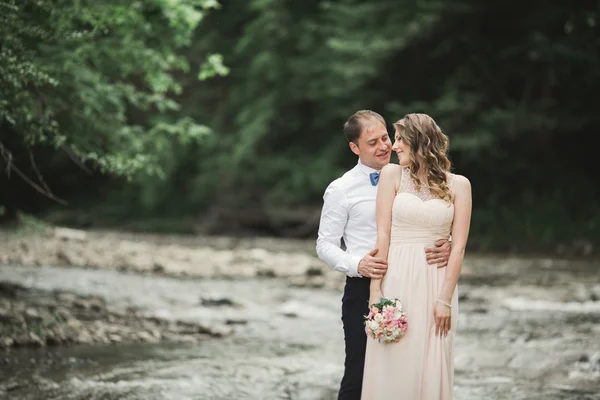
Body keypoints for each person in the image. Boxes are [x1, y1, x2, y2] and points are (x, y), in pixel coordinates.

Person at [316, 110, 451, 400]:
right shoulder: (341, 189)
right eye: (372, 142)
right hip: (365, 288)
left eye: (385, 137)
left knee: (406, 374)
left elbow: (432, 219)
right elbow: (324, 245)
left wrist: (446, 241)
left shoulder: (417, 175)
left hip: (415, 285)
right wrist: (358, 263)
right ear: (355, 148)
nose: (384, 146)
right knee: (359, 374)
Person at [361, 113, 472, 400]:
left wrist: (444, 300)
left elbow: (458, 247)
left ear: (420, 143)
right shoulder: (392, 175)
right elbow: (383, 235)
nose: (393, 146)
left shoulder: (460, 185)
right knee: (393, 358)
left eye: (399, 139)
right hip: (396, 278)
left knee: (433, 358)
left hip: (436, 282)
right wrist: (376, 290)